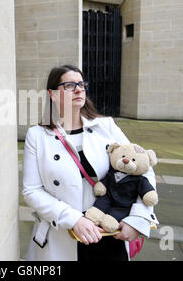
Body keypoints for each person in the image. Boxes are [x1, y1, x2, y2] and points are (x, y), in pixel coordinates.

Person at [22, 65, 158, 261]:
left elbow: (143, 169)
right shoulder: (37, 136)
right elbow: (31, 190)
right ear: (52, 94)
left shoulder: (106, 126)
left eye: (81, 84)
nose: (78, 89)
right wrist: (74, 218)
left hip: (111, 228)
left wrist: (138, 219)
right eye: (69, 85)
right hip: (65, 231)